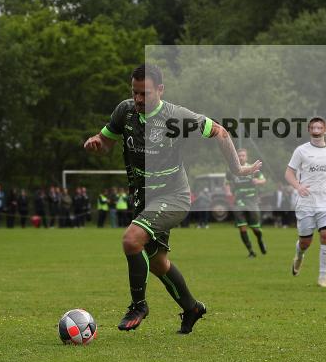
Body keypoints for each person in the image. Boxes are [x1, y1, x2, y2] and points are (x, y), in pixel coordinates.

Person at [84, 63, 261, 334]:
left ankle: (138, 305)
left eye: (145, 94)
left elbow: (220, 132)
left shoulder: (177, 117)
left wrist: (237, 169)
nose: (139, 99)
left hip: (174, 196)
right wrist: (97, 142)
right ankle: (192, 308)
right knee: (157, 262)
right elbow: (107, 140)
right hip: (143, 198)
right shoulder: (125, 110)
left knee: (131, 240)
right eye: (135, 93)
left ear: (161, 90)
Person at [285, 116, 326, 288]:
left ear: (325, 130)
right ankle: (299, 255)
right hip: (306, 203)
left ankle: (322, 278)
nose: (317, 131)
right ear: (309, 130)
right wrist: (298, 186)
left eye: (320, 128)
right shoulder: (301, 151)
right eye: (313, 128)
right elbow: (289, 173)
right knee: (305, 242)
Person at [225, 148, 267, 257]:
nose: (241, 157)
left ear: (246, 157)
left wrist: (258, 181)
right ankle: (251, 251)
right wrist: (228, 192)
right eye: (239, 155)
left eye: (243, 155)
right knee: (242, 226)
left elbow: (263, 180)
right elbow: (227, 183)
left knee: (255, 228)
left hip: (252, 200)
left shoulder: (253, 168)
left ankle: (260, 239)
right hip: (238, 201)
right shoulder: (231, 170)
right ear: (236, 157)